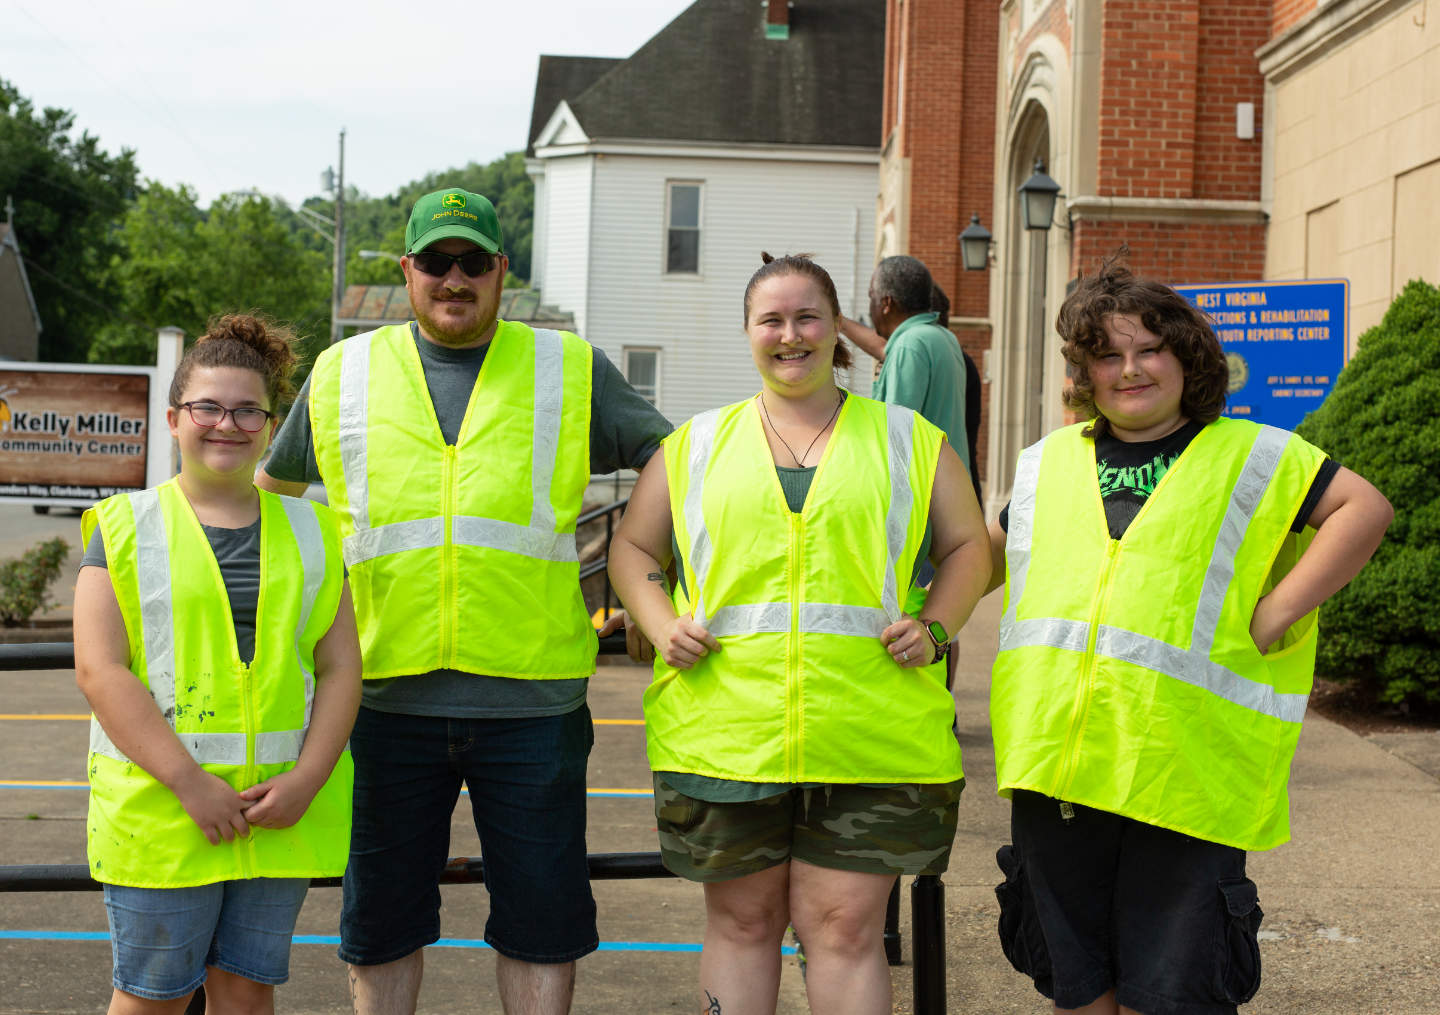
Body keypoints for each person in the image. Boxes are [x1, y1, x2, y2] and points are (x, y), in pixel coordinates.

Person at [256, 187, 670, 1014]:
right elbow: (267, 499)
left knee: (542, 920)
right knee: (380, 919)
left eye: (473, 261)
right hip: (379, 694)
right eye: (437, 261)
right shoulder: (344, 373)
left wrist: (641, 563)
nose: (455, 277)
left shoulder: (568, 366)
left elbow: (676, 459)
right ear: (406, 269)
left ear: (501, 272)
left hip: (533, 700)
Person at [986, 254, 1393, 1015]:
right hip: (1057, 770)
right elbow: (980, 554)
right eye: (1107, 354)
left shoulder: (1254, 454)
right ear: (1084, 371)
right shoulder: (1046, 464)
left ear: (1187, 357)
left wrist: (1278, 609)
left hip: (1184, 775)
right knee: (1078, 992)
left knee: (1171, 997)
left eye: (1149, 349)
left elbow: (1363, 509)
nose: (1130, 369)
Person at [608, 253, 991, 1015]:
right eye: (772, 320)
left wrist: (938, 626)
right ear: (748, 333)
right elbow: (633, 548)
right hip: (725, 736)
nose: (791, 335)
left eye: (808, 316)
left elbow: (971, 545)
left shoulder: (907, 440)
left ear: (838, 327)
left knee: (843, 929)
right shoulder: (696, 444)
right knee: (743, 922)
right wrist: (658, 621)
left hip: (870, 734)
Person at [74, 314, 361, 1014]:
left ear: (270, 424)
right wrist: (188, 782)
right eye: (207, 406)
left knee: (244, 992)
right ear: (174, 418)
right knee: (152, 998)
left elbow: (341, 666)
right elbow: (100, 671)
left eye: (246, 410)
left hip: (275, 810)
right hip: (164, 809)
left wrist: (308, 779)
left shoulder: (314, 529)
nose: (225, 423)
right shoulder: (123, 525)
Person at [840, 278, 983, 501]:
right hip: (954, 488)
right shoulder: (946, 344)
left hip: (925, 493)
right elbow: (883, 348)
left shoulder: (912, 345)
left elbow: (895, 434)